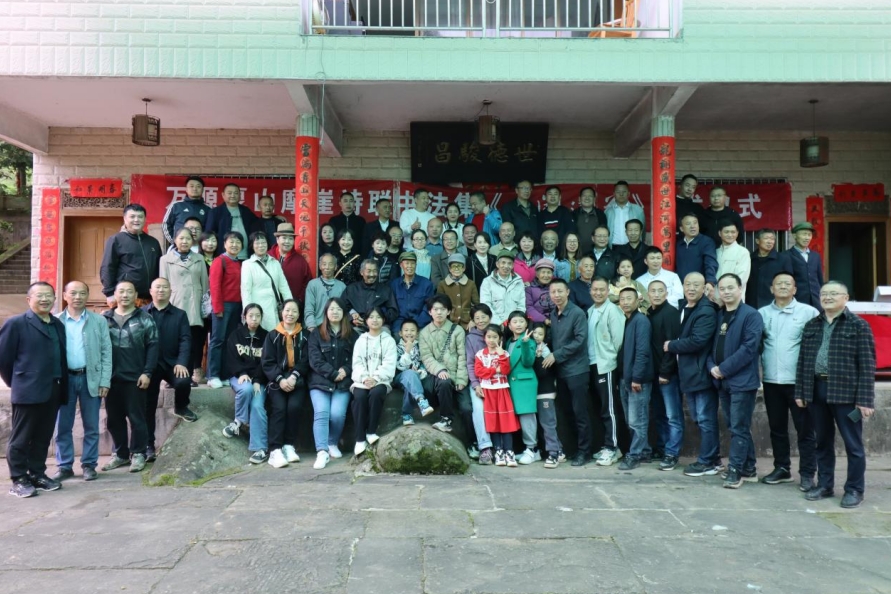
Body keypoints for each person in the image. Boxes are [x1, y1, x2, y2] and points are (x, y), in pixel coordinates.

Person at [796, 282, 876, 508]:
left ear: (846, 298)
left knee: (853, 445)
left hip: (846, 393)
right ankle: (825, 485)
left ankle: (854, 489)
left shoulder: (858, 325)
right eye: (824, 294)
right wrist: (801, 391)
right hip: (816, 390)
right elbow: (802, 361)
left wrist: (865, 400)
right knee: (822, 441)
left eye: (833, 293)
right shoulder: (812, 325)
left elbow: (867, 365)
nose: (828, 297)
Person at [1, 282, 68, 498]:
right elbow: (4, 359)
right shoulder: (16, 323)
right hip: (27, 390)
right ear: (29, 300)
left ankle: (37, 474)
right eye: (40, 295)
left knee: (43, 436)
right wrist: (17, 382)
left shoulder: (57, 324)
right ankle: (19, 479)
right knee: (21, 438)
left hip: (54, 389)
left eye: (49, 295)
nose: (45, 299)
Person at [759, 272, 819, 490]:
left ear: (795, 289)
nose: (783, 286)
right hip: (771, 381)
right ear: (771, 289)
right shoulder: (762, 314)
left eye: (788, 284)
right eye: (779, 283)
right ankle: (782, 468)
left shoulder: (809, 312)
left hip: (798, 383)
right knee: (777, 428)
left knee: (805, 430)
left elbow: (816, 348)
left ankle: (807, 473)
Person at [708, 273, 764, 489]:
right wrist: (712, 367)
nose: (726, 292)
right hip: (722, 380)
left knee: (739, 426)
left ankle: (735, 470)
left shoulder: (751, 315)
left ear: (740, 289)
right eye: (722, 288)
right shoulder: (719, 314)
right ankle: (749, 469)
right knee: (734, 425)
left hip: (742, 381)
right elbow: (711, 346)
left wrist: (723, 369)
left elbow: (749, 348)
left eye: (731, 287)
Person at [52, 281, 112, 483]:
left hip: (90, 378)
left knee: (92, 426)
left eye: (82, 293)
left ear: (87, 295)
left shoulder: (99, 321)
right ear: (64, 296)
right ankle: (64, 465)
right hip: (64, 380)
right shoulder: (55, 321)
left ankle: (89, 464)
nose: (77, 297)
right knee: (63, 426)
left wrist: (105, 380)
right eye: (73, 293)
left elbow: (106, 352)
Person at [666, 273, 722, 478]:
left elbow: (698, 340)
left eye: (696, 285)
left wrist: (671, 345)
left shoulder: (706, 310)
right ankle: (713, 459)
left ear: (704, 288)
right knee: (699, 419)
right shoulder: (684, 307)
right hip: (689, 374)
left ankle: (707, 461)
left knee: (705, 419)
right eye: (687, 284)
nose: (691, 288)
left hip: (701, 373)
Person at [101, 281, 159, 474]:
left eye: (129, 292)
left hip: (136, 377)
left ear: (135, 295)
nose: (125, 295)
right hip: (110, 378)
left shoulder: (145, 318)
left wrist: (147, 372)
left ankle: (139, 453)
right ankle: (120, 454)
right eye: (121, 291)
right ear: (115, 295)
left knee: (137, 418)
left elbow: (153, 346)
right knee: (113, 419)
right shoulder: (104, 319)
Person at [142, 277, 196, 462]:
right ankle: (148, 446)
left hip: (172, 363)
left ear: (170, 291)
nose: (161, 290)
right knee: (148, 405)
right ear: (151, 291)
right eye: (157, 287)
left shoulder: (180, 314)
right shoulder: (142, 313)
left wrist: (181, 362)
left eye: (164, 287)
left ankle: (181, 406)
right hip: (149, 366)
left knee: (183, 381)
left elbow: (185, 340)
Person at [546, 278, 592, 466]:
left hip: (577, 370)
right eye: (553, 292)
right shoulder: (553, 314)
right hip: (561, 371)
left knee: (580, 412)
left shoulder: (577, 313)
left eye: (560, 291)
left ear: (567, 292)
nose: (556, 295)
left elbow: (580, 341)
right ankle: (575, 449)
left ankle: (585, 451)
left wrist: (556, 355)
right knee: (568, 412)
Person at [308, 297, 357, 469]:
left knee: (337, 414)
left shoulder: (352, 334)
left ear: (344, 313)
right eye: (331, 309)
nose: (334, 312)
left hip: (343, 383)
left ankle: (332, 442)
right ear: (326, 313)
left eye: (338, 309)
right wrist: (332, 373)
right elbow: (314, 360)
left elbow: (357, 358)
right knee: (321, 412)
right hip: (320, 381)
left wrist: (345, 370)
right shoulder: (316, 334)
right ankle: (321, 451)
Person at [261, 299, 309, 469]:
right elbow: (267, 362)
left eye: (294, 311)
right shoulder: (272, 335)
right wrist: (280, 379)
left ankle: (289, 445)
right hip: (277, 380)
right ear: (282, 312)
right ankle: (275, 449)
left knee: (294, 407)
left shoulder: (305, 335)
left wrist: (294, 376)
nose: (290, 314)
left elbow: (307, 360)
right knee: (279, 408)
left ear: (299, 314)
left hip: (297, 379)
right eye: (287, 310)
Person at [159, 227, 209, 386]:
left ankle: (188, 376)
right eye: (181, 238)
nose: (185, 241)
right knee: (173, 342)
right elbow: (163, 284)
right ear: (175, 240)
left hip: (194, 305)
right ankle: (172, 377)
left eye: (188, 238)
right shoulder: (165, 260)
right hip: (175, 302)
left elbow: (205, 285)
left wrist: (205, 306)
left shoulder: (199, 258)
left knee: (193, 342)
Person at [222, 303, 270, 465]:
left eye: (257, 316)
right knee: (246, 389)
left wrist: (257, 380)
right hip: (239, 376)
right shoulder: (235, 336)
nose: (254, 319)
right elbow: (231, 359)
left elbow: (266, 362)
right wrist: (242, 373)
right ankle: (239, 421)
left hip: (259, 380)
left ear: (261, 318)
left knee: (257, 406)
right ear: (244, 317)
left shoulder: (267, 337)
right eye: (251, 316)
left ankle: (260, 449)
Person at [419, 294, 471, 436]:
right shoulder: (424, 333)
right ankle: (446, 420)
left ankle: (473, 442)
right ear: (430, 312)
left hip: (457, 375)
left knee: (467, 408)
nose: (439, 312)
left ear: (448, 311)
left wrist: (461, 379)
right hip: (436, 376)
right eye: (435, 309)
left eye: (442, 309)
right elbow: (427, 357)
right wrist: (440, 369)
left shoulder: (457, 330)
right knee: (444, 381)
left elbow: (462, 356)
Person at [588, 277, 626, 467]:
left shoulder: (612, 310)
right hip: (592, 363)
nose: (598, 293)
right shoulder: (590, 311)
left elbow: (618, 340)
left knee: (609, 409)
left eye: (602, 289)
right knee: (600, 408)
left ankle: (613, 448)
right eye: (595, 289)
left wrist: (609, 357)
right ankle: (607, 445)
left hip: (606, 364)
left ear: (608, 291)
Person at [350, 307, 398, 456]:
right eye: (371, 317)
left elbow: (389, 363)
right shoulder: (361, 340)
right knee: (359, 397)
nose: (375, 320)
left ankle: (371, 431)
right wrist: (365, 378)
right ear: (366, 321)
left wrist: (375, 378)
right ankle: (359, 438)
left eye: (378, 317)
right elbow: (357, 363)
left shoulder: (389, 340)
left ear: (383, 320)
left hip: (380, 380)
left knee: (376, 394)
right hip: (362, 380)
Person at [614, 287, 653, 470]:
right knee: (633, 419)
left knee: (637, 420)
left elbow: (642, 351)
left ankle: (635, 454)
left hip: (637, 380)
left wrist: (637, 377)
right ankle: (644, 451)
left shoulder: (641, 321)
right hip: (625, 377)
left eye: (629, 298)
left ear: (638, 301)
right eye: (622, 299)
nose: (625, 302)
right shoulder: (626, 320)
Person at [647, 280, 682, 471]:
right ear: (648, 294)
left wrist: (665, 372)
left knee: (672, 415)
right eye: (653, 291)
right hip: (653, 374)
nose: (657, 294)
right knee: (659, 414)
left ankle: (672, 453)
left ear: (666, 293)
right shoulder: (649, 313)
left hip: (667, 374)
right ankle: (662, 447)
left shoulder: (670, 313)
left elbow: (672, 346)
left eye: (660, 291)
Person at [475, 324, 520, 467]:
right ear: (484, 338)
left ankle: (509, 451)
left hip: (502, 390)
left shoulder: (504, 354)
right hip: (488, 391)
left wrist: (500, 356)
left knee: (506, 421)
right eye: (489, 337)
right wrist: (495, 370)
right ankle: (498, 451)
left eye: (495, 337)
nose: (491, 340)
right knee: (492, 421)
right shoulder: (480, 354)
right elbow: (480, 372)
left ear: (500, 338)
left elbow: (506, 370)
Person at [100, 204, 162, 308]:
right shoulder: (116, 240)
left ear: (145, 219)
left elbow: (159, 269)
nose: (136, 220)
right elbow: (107, 267)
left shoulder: (153, 242)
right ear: (125, 219)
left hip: (150, 299)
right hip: (126, 298)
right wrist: (109, 293)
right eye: (132, 216)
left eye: (140, 217)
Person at [207, 231, 244, 388]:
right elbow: (214, 286)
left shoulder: (239, 263)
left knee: (229, 341)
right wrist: (218, 308)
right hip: (223, 306)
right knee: (217, 341)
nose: (234, 245)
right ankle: (212, 375)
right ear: (224, 244)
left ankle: (224, 375)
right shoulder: (219, 261)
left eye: (238, 242)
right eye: (231, 242)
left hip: (237, 306)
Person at [504, 312, 540, 465]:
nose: (518, 324)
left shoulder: (529, 341)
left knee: (527, 417)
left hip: (525, 383)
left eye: (521, 321)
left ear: (526, 324)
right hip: (512, 383)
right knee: (519, 418)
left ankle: (532, 449)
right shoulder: (507, 342)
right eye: (515, 321)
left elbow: (528, 362)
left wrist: (525, 344)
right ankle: (530, 450)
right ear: (509, 325)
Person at [241, 231, 293, 332]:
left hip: (274, 306)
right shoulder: (247, 264)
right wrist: (248, 312)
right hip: (257, 309)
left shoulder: (275, 263)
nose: (261, 245)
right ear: (252, 245)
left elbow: (284, 286)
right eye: (257, 243)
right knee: (260, 335)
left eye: (263, 242)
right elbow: (246, 291)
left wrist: (290, 306)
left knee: (274, 335)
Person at [464, 304, 497, 463]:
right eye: (477, 318)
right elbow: (470, 363)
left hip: (498, 381)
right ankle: (485, 447)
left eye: (484, 317)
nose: (481, 320)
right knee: (478, 409)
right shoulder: (470, 338)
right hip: (479, 382)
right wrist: (476, 384)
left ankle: (503, 448)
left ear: (490, 317)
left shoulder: (497, 333)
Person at [531, 323, 563, 468]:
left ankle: (553, 454)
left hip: (545, 392)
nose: (537, 336)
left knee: (548, 424)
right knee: (544, 424)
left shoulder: (544, 350)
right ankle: (559, 450)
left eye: (540, 334)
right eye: (535, 333)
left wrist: (538, 357)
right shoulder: (532, 347)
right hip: (536, 392)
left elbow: (543, 372)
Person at [342, 259, 399, 333]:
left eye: (374, 271)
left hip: (380, 326)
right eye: (368, 271)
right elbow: (342, 307)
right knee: (350, 334)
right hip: (357, 326)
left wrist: (379, 318)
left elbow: (393, 311)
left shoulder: (385, 289)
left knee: (385, 333)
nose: (372, 274)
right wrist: (352, 317)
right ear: (361, 272)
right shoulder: (351, 289)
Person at [396, 319, 435, 426]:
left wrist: (421, 371)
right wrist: (407, 351)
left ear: (417, 334)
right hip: (400, 376)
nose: (409, 333)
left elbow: (424, 362)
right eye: (406, 330)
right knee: (409, 374)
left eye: (412, 330)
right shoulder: (397, 347)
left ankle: (406, 415)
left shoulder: (420, 347)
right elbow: (399, 366)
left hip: (416, 377)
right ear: (400, 333)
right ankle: (421, 401)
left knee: (410, 383)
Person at [746, 228, 793, 309]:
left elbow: (789, 281)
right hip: (751, 303)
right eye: (766, 238)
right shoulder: (749, 259)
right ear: (757, 241)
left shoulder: (782, 259)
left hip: (774, 303)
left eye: (772, 239)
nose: (770, 241)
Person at [205, 182, 255, 258]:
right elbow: (209, 234)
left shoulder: (246, 211)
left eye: (236, 193)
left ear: (240, 195)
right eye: (229, 193)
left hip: (245, 256)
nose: (233, 195)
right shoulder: (215, 212)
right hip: (224, 256)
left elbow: (256, 226)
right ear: (223, 195)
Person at [390, 252, 434, 334]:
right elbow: (392, 307)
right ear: (401, 265)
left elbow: (428, 307)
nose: (410, 266)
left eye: (412, 263)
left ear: (416, 265)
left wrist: (417, 323)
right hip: (400, 321)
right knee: (397, 335)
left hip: (420, 321)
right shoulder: (394, 284)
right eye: (407, 263)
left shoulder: (426, 284)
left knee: (423, 336)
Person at [269, 222, 312, 305]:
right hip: (269, 304)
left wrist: (299, 299)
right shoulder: (268, 257)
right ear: (277, 239)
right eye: (284, 238)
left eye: (290, 239)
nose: (287, 242)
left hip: (291, 306)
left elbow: (307, 283)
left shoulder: (300, 260)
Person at [480, 250, 525, 325]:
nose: (506, 266)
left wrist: (513, 323)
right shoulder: (487, 281)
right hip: (494, 324)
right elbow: (486, 305)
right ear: (497, 264)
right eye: (503, 263)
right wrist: (499, 323)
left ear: (513, 266)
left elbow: (521, 305)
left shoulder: (518, 281)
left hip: (514, 324)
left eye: (509, 263)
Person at [785, 222, 823, 309]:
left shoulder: (815, 256)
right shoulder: (786, 255)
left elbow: (819, 278)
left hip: (816, 301)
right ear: (795, 236)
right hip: (796, 301)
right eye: (804, 234)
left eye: (809, 235)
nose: (807, 238)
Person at [676, 213, 718, 294]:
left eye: (695, 223)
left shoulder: (706, 242)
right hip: (681, 288)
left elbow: (710, 262)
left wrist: (710, 282)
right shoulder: (679, 244)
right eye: (688, 223)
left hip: (699, 288)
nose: (693, 226)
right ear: (681, 228)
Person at [304, 253, 346, 332]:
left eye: (330, 264)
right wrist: (312, 328)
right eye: (324, 264)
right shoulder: (313, 284)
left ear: (335, 267)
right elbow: (309, 309)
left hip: (335, 328)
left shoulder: (342, 286)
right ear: (320, 266)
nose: (327, 267)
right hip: (316, 327)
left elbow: (344, 311)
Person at [163, 175, 209, 245]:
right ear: (186, 189)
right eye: (191, 186)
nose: (195, 189)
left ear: (203, 190)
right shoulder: (176, 205)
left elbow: (210, 229)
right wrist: (174, 241)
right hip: (179, 246)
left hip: (200, 247)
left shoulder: (208, 209)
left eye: (198, 186)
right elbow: (165, 224)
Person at [715, 218, 751, 299]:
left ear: (737, 233)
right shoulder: (716, 252)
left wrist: (725, 297)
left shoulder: (742, 252)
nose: (730, 235)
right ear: (720, 233)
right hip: (715, 298)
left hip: (734, 298)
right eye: (726, 232)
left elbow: (741, 279)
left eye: (733, 232)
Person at [604, 181, 644, 246]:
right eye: (618, 192)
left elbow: (642, 229)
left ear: (628, 193)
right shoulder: (608, 211)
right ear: (614, 194)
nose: (621, 194)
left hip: (632, 246)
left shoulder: (638, 210)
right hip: (614, 246)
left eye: (624, 192)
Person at [573, 186, 607, 256]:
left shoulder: (601, 214)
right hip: (576, 254)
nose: (587, 198)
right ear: (579, 198)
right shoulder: (573, 214)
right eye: (584, 196)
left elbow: (604, 234)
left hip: (596, 254)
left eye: (590, 196)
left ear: (594, 199)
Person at [525, 259, 556, 324]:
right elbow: (529, 308)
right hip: (538, 322)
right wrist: (544, 320)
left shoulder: (556, 287)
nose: (546, 275)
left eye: (549, 272)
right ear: (537, 274)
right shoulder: (529, 289)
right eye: (543, 272)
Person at [676, 174, 705, 238]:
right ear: (680, 186)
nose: (690, 189)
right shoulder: (670, 205)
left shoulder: (698, 208)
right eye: (687, 185)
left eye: (693, 187)